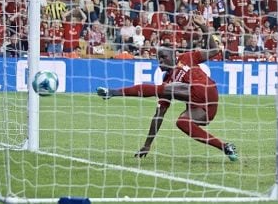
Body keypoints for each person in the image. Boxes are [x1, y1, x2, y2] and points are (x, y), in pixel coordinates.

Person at [96, 15, 238, 161]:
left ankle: (114, 92)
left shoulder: (187, 57)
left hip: (208, 90)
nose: (160, 61)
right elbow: (159, 115)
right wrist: (147, 145)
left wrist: (203, 26)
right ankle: (225, 147)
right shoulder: (168, 82)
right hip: (203, 110)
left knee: (164, 88)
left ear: (173, 54)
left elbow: (214, 51)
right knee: (181, 122)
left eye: (163, 57)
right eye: (159, 59)